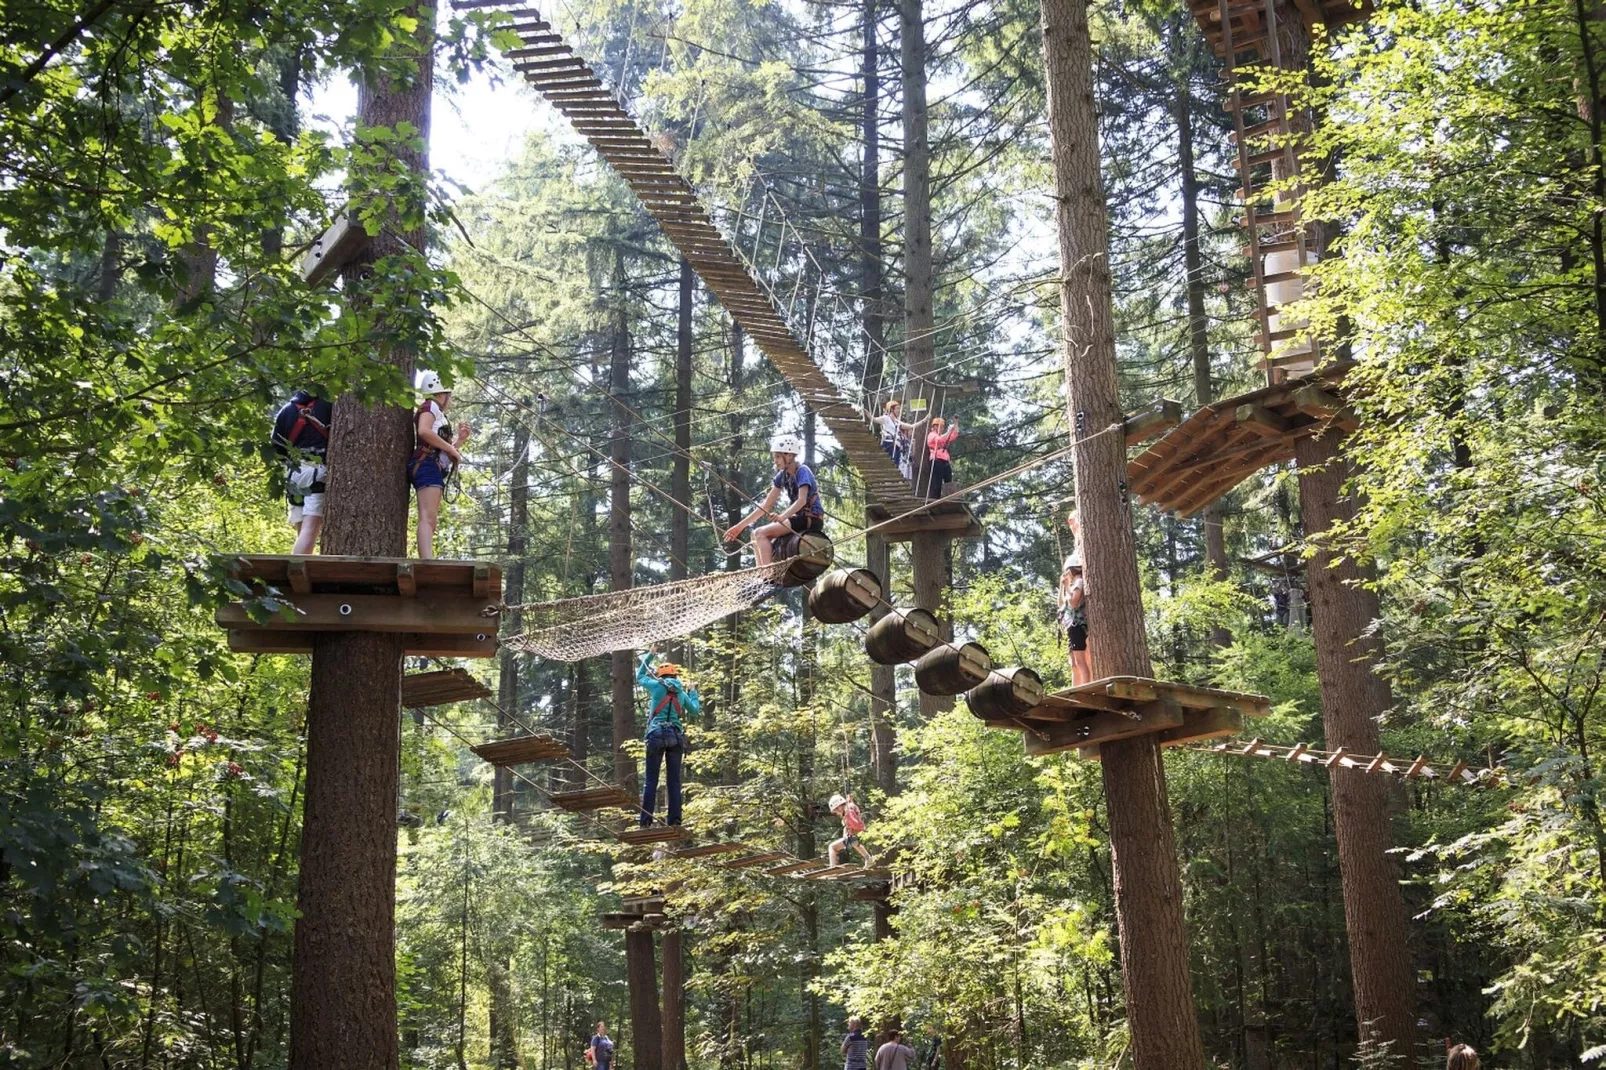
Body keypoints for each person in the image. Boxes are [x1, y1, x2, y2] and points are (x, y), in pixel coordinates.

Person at [721, 434, 825, 566]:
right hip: (800, 518)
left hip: (812, 518)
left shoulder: (803, 471)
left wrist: (782, 517)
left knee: (761, 533)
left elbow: (802, 500)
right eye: (774, 457)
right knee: (755, 535)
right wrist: (740, 527)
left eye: (777, 456)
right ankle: (762, 576)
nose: (775, 461)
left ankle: (767, 577)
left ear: (789, 455)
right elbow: (766, 505)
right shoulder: (783, 476)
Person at [410, 371, 471, 560]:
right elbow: (423, 431)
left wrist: (458, 442)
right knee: (428, 518)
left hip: (432, 466)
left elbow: (442, 449)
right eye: (449, 396)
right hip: (426, 464)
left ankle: (427, 559)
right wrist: (452, 450)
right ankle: (426, 561)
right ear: (440, 394)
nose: (450, 401)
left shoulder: (439, 414)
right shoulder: (430, 407)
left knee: (431, 518)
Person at [636, 650, 700, 828]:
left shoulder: (656, 686)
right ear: (675, 675)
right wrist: (693, 692)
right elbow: (695, 710)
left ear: (660, 675)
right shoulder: (681, 693)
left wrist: (650, 655)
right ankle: (675, 820)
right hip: (675, 737)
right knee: (674, 781)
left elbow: (639, 675)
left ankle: (645, 821)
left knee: (651, 780)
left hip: (656, 734)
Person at [271, 390, 332, 555]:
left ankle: (297, 569)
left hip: (294, 474)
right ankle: (296, 572)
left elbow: (276, 447)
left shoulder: (285, 411)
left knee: (302, 532)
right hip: (317, 472)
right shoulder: (329, 406)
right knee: (310, 529)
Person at [1058, 553, 1090, 686]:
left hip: (1077, 626)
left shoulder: (1079, 582)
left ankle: (1085, 687)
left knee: (1080, 661)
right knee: (1074, 663)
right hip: (1071, 627)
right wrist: (1062, 586)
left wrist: (1066, 587)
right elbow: (1061, 605)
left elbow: (1073, 602)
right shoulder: (1072, 586)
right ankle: (1075, 688)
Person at [872, 399, 926, 473]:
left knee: (895, 467)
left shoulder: (897, 422)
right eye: (897, 408)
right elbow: (874, 419)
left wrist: (924, 420)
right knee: (889, 466)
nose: (899, 410)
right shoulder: (885, 418)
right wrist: (865, 412)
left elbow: (911, 426)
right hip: (888, 444)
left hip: (896, 446)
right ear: (891, 409)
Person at [827, 792, 872, 867]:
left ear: (839, 806)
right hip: (859, 834)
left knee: (832, 847)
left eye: (836, 810)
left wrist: (849, 830)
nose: (837, 813)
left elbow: (855, 823)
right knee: (854, 843)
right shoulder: (850, 806)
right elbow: (853, 809)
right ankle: (868, 858)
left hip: (856, 834)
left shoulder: (848, 813)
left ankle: (832, 866)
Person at [924, 417, 959, 499]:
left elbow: (954, 435)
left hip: (945, 460)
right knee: (937, 482)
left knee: (948, 480)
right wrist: (949, 431)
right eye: (941, 426)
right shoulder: (931, 435)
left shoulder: (942, 435)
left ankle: (949, 497)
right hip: (936, 460)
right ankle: (935, 498)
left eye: (943, 427)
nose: (942, 428)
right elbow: (939, 440)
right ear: (935, 427)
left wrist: (956, 424)